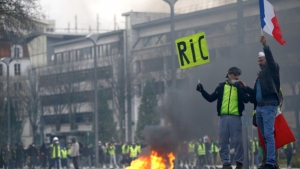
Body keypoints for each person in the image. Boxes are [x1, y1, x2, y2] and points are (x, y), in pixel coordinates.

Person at [196, 66, 249, 169]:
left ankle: (239, 163)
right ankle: (226, 164)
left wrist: (241, 88)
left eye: (238, 75)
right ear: (229, 74)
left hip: (235, 117)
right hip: (223, 118)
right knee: (223, 141)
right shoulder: (221, 87)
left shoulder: (239, 87)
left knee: (237, 141)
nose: (237, 77)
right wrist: (202, 90)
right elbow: (211, 98)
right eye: (235, 74)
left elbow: (246, 100)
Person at [242, 36, 281, 169]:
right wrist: (246, 88)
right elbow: (255, 95)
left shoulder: (272, 70)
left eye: (262, 60)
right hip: (259, 108)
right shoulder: (259, 78)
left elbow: (270, 60)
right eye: (258, 60)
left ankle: (271, 163)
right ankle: (267, 161)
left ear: (267, 61)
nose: (260, 62)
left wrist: (265, 46)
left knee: (269, 135)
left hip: (269, 106)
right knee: (264, 137)